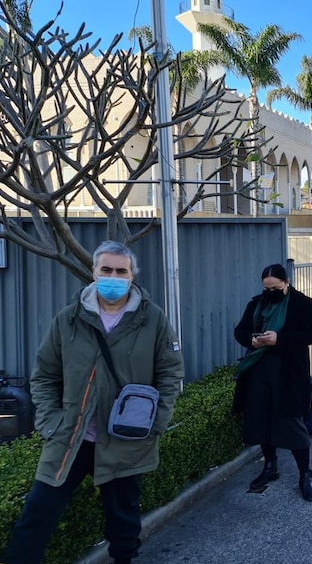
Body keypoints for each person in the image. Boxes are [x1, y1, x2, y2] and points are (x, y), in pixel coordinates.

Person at [2, 241, 184, 564]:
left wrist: (158, 421)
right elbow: (44, 375)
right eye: (106, 270)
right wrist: (50, 422)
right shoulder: (68, 319)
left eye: (121, 271)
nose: (113, 277)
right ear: (94, 272)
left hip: (126, 437)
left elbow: (171, 371)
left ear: (132, 275)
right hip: (71, 438)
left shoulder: (151, 319)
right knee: (36, 517)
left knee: (124, 525)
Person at [233, 264, 312, 501]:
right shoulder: (257, 304)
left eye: (275, 287)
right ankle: (270, 466)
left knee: (292, 423)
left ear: (286, 282)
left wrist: (279, 339)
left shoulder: (301, 303)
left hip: (289, 373)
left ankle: (305, 473)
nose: (270, 292)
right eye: (266, 288)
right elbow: (240, 331)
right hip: (259, 370)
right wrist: (253, 339)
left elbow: (310, 335)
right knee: (261, 420)